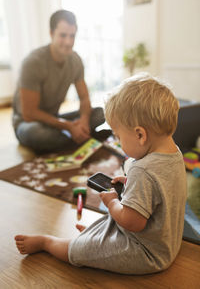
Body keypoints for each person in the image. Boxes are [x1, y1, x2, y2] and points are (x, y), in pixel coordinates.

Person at [15, 73, 187, 275]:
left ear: (140, 135)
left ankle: (49, 242)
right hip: (166, 241)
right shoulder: (175, 153)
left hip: (147, 253)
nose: (117, 140)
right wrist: (130, 183)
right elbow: (160, 189)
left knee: (82, 248)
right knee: (115, 214)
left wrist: (112, 202)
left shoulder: (143, 170)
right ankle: (94, 236)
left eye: (118, 135)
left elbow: (133, 222)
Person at [12, 10, 106, 153]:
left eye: (72, 36)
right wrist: (68, 126)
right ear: (51, 33)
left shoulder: (75, 60)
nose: (68, 42)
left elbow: (85, 97)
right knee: (38, 134)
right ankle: (81, 137)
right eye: (63, 35)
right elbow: (29, 113)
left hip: (54, 119)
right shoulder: (33, 62)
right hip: (28, 124)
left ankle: (73, 137)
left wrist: (84, 121)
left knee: (100, 113)